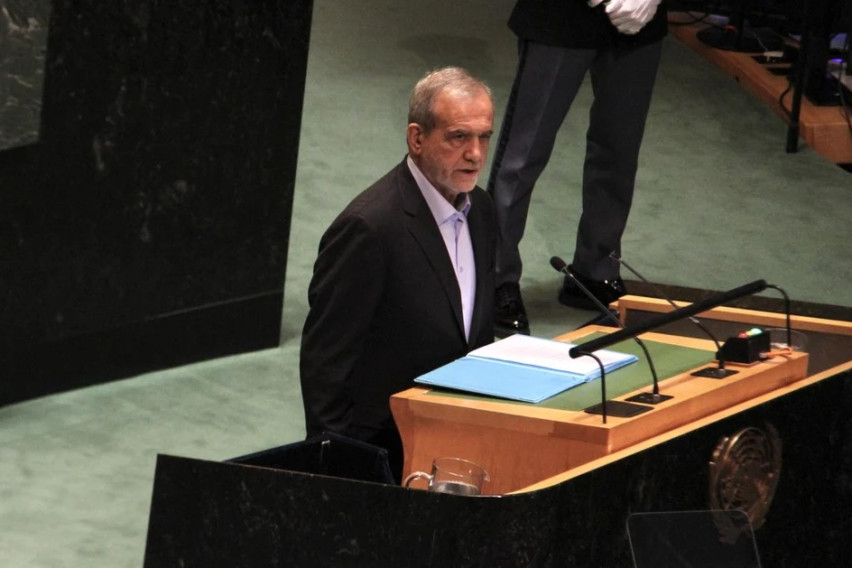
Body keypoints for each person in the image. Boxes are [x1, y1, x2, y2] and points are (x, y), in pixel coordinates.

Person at [299, 67, 497, 482]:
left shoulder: (482, 211)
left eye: (484, 137)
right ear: (417, 138)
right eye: (459, 137)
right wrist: (339, 469)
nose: (476, 154)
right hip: (383, 453)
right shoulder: (369, 227)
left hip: (458, 439)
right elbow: (326, 364)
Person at [489, 0, 667, 337]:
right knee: (523, 156)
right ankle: (496, 278)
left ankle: (596, 269)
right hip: (560, 15)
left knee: (619, 151)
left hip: (638, 18)